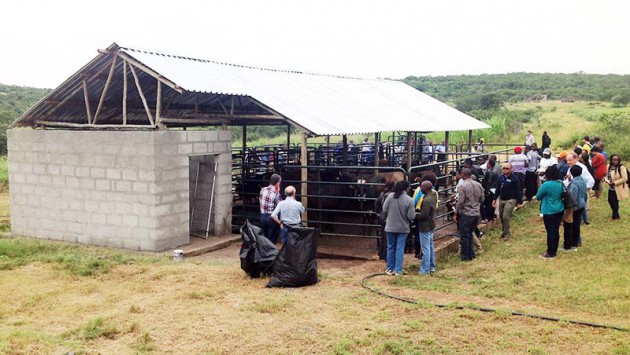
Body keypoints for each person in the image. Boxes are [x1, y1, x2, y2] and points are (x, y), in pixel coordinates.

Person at [382, 180, 416, 276]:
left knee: (390, 247)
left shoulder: (390, 196)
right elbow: (411, 216)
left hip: (390, 226)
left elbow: (384, 209)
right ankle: (398, 270)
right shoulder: (409, 200)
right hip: (403, 228)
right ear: (406, 188)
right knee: (400, 248)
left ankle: (389, 269)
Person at [454, 168, 484, 261]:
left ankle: (465, 256)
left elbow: (460, 201)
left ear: (463, 175)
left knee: (464, 235)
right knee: (470, 234)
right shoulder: (478, 185)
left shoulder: (462, 186)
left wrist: (456, 213)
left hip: (466, 213)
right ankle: (471, 254)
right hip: (476, 213)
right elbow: (482, 199)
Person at [534, 165, 564, 259]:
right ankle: (554, 249)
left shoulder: (546, 184)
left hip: (549, 210)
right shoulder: (560, 183)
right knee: (556, 230)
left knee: (550, 231)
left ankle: (550, 253)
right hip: (559, 209)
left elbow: (538, 196)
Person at [493, 163, 523, 240]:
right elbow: (498, 188)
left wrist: (519, 202)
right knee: (501, 216)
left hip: (511, 199)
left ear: (511, 169)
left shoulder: (514, 179)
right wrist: (494, 199)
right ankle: (504, 230)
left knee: (506, 216)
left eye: (507, 168)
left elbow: (518, 190)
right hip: (502, 199)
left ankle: (507, 233)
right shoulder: (501, 178)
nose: (505, 170)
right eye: (504, 168)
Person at [561, 165, 587, 252]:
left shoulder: (574, 184)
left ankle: (568, 245)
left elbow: (572, 196)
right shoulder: (582, 181)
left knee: (569, 225)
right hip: (581, 204)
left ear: (571, 172)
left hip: (574, 207)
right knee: (576, 225)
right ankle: (575, 243)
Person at [415, 181, 437, 275]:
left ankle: (424, 270)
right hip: (431, 224)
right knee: (430, 246)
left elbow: (424, 215)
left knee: (425, 249)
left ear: (425, 188)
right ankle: (432, 266)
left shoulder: (427, 200)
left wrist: (414, 215)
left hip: (425, 226)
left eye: (421, 188)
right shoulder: (433, 195)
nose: (420, 189)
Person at [604, 154, 629, 221]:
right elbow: (606, 174)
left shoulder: (621, 167)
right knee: (610, 201)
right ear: (611, 160)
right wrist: (606, 179)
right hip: (611, 187)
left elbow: (624, 178)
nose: (615, 161)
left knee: (615, 202)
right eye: (614, 160)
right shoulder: (609, 166)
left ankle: (614, 216)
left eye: (617, 160)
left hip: (618, 188)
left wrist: (615, 182)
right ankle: (616, 215)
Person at [375, 181, 395, 260]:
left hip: (383, 217)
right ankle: (386, 255)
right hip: (388, 217)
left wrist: (379, 213)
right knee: (388, 237)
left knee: (383, 235)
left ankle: (381, 254)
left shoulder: (382, 194)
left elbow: (376, 203)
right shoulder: (391, 195)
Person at [259, 174, 282, 243]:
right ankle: (271, 252)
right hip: (272, 218)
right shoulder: (276, 194)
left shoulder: (263, 189)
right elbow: (280, 205)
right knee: (272, 238)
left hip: (263, 216)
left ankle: (264, 252)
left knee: (264, 237)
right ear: (278, 183)